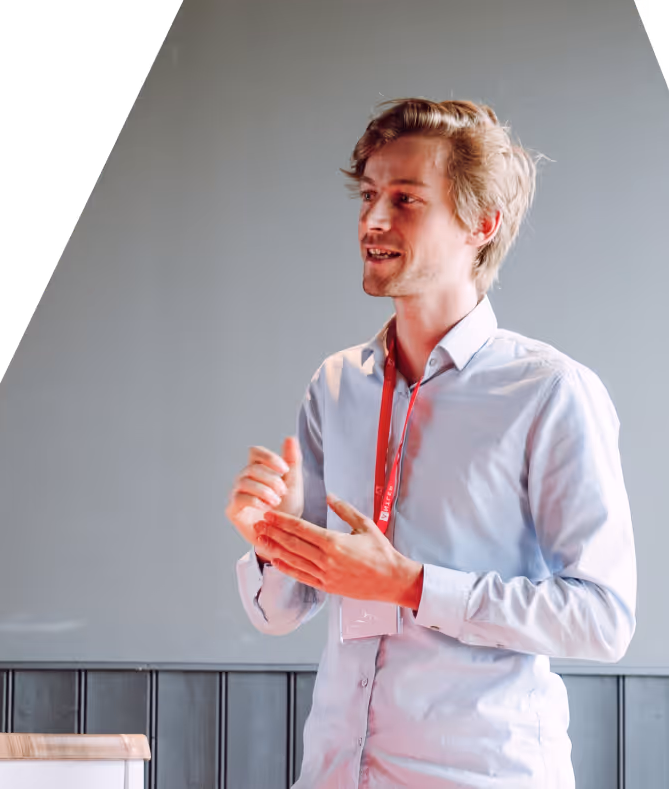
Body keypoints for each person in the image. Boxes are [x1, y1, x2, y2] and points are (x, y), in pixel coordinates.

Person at [227, 98, 637, 789]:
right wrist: (276, 534)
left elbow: (603, 619)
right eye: (368, 196)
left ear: (481, 225)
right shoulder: (336, 385)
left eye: (406, 199)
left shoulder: (549, 391)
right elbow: (281, 612)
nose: (373, 221)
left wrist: (411, 585)